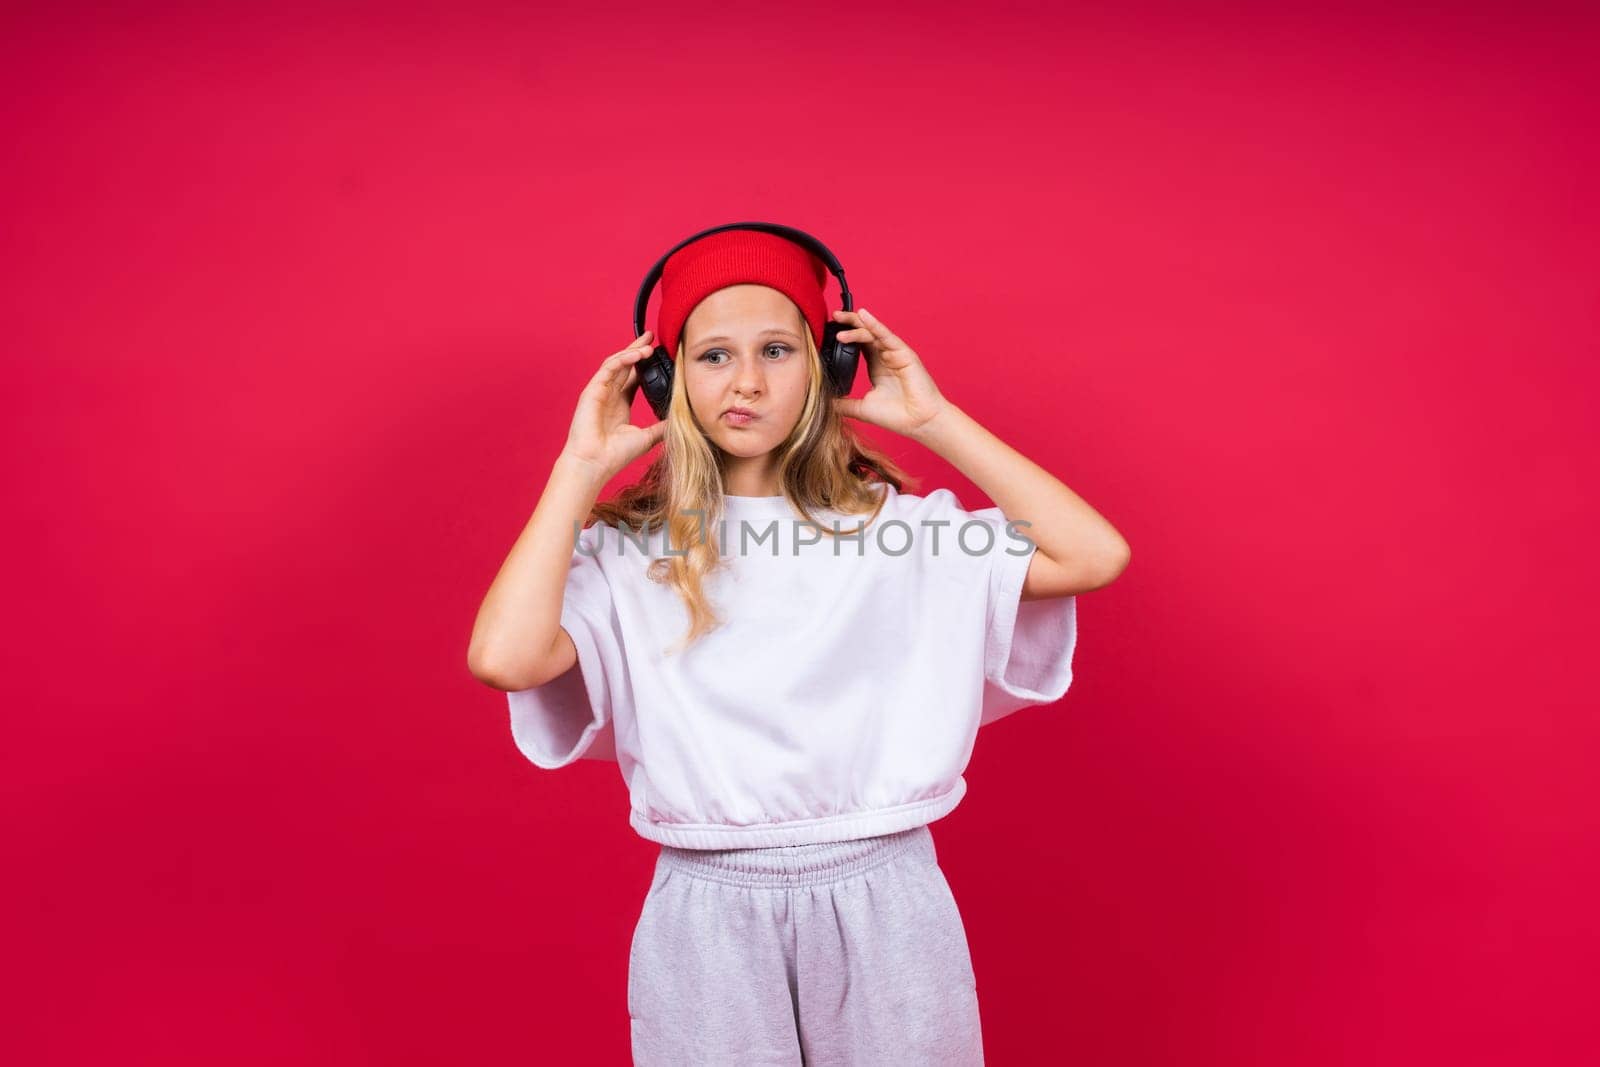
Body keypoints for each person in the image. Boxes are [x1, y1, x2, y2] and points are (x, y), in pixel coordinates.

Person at [468, 225, 1131, 1065]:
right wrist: (577, 467)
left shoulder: (903, 536)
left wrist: (936, 420)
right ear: (666, 379)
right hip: (706, 910)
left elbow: (1094, 554)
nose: (746, 381)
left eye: (777, 349)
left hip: (887, 896)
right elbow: (505, 657)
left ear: (828, 366)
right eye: (712, 356)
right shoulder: (630, 554)